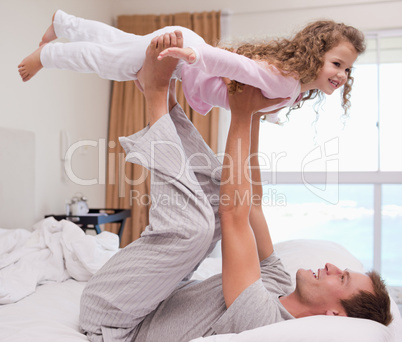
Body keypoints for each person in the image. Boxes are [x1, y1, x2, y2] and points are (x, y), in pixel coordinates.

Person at [79, 31, 392, 342]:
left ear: (335, 316)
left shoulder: (266, 323)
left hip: (113, 321)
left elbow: (234, 215)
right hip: (147, 301)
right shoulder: (278, 284)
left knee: (197, 228)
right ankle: (170, 104)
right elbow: (251, 202)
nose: (332, 266)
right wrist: (254, 113)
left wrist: (240, 115)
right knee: (221, 190)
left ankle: (155, 95)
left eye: (343, 277)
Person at [18, 9, 365, 123]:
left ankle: (63, 24)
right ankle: (46, 56)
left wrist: (272, 117)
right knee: (113, 63)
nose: (342, 75)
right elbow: (239, 67)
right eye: (337, 64)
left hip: (186, 49)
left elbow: (263, 103)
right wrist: (193, 56)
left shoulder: (294, 90)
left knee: (117, 43)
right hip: (184, 50)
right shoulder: (287, 83)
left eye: (347, 70)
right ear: (314, 56)